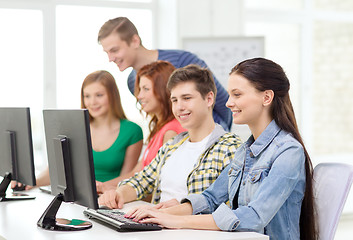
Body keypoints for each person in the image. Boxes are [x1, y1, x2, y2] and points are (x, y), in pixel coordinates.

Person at [127, 58, 317, 240]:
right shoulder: (246, 151)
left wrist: (177, 221)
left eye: (237, 95)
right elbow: (210, 198)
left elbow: (254, 215)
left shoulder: (289, 151)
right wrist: (160, 212)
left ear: (266, 97)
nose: (228, 103)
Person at [98, 65, 242, 209]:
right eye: (174, 100)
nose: (179, 107)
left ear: (209, 99)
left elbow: (232, 208)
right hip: (156, 226)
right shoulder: (172, 146)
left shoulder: (229, 147)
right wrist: (118, 194)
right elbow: (141, 181)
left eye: (186, 98)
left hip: (190, 229)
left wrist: (181, 208)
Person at [13, 70, 144, 194]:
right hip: (77, 199)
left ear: (112, 95)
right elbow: (56, 171)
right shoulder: (75, 128)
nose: (92, 102)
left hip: (109, 199)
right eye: (87, 96)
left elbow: (127, 178)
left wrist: (100, 188)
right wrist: (31, 183)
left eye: (99, 95)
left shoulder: (132, 131)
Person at [97, 16, 233, 131]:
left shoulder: (183, 60)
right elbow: (160, 119)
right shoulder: (132, 82)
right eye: (107, 52)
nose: (110, 58)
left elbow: (222, 104)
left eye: (114, 50)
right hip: (178, 146)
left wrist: (219, 136)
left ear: (134, 41)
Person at [104, 60, 186, 190]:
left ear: (163, 90)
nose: (139, 96)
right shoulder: (160, 128)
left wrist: (115, 191)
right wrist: (102, 186)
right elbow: (135, 174)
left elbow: (159, 186)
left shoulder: (171, 132)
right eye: (140, 89)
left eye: (146, 89)